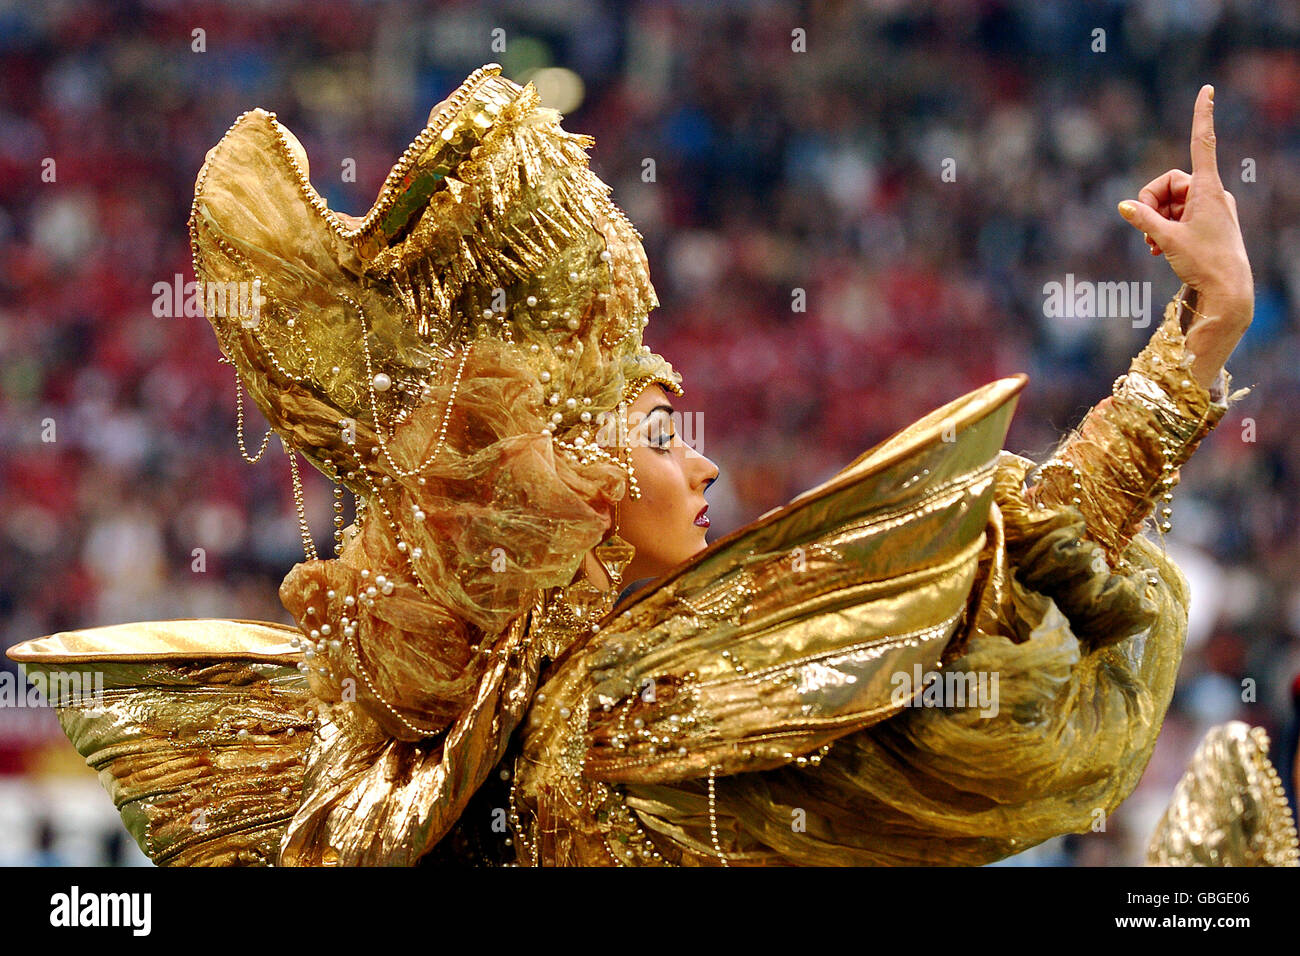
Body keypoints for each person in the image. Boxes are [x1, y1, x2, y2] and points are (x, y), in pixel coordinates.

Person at [8, 65, 1279, 866]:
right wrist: (1200, 336)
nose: (708, 464)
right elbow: (991, 592)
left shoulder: (410, 760)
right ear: (557, 493)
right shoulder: (622, 726)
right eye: (662, 431)